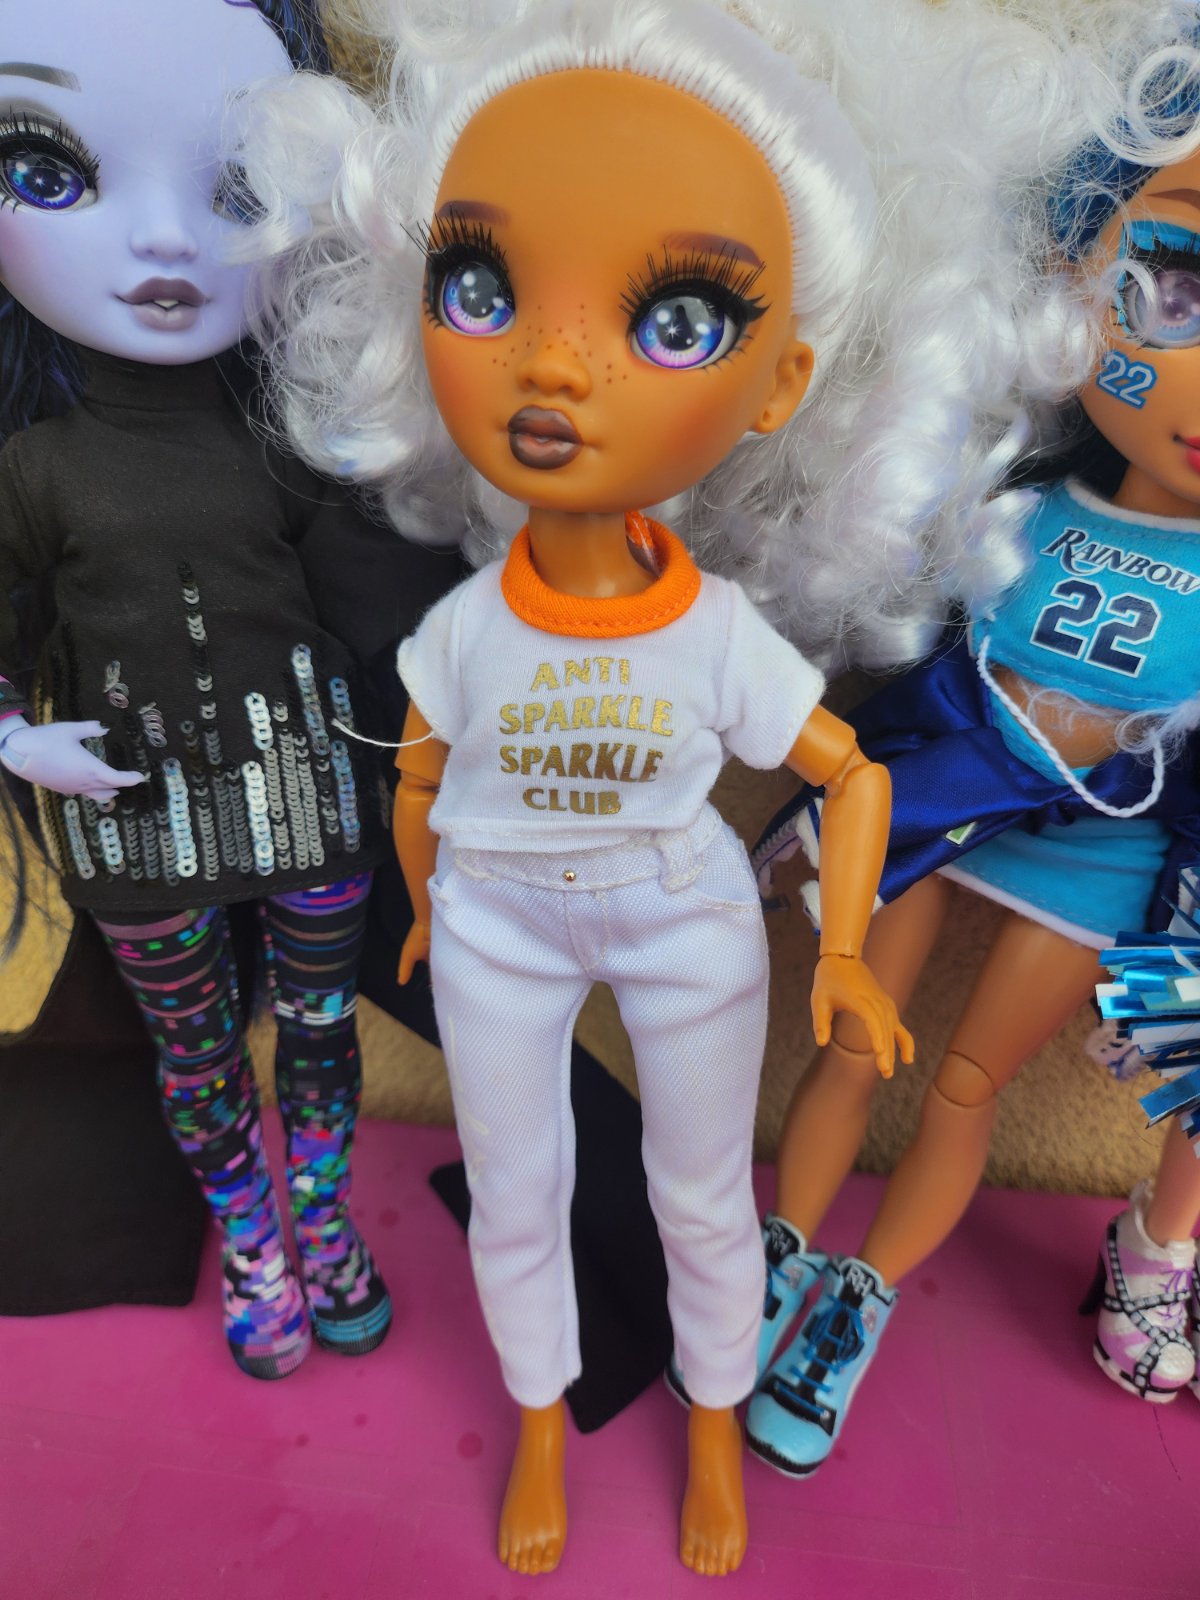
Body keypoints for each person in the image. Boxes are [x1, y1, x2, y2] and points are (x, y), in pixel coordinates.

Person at [238, 0, 1075, 1570]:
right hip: (494, 920)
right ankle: (536, 1422)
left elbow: (842, 768)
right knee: (519, 1193)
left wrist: (841, 951)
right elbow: (420, 776)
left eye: (677, 319)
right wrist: (422, 905)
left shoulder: (714, 635)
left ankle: (710, 1422)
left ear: (782, 384)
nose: (555, 361)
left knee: (701, 1198)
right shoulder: (464, 629)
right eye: (483, 288)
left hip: (684, 920)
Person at [749, 0, 1200, 1469]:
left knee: (964, 1085)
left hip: (1094, 863)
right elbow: (914, 669)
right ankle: (774, 1255)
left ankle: (858, 1301)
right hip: (935, 802)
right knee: (851, 1039)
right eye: (1175, 284)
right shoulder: (1017, 508)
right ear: (1071, 277)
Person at [0, 0, 456, 1378]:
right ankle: (255, 1240)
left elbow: (379, 605)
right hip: (132, 819)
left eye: (239, 188)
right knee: (196, 1057)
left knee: (318, 1025)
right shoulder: (34, 469)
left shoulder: (294, 440)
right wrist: (21, 741)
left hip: (307, 797)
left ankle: (321, 1218)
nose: (162, 241)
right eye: (47, 169)